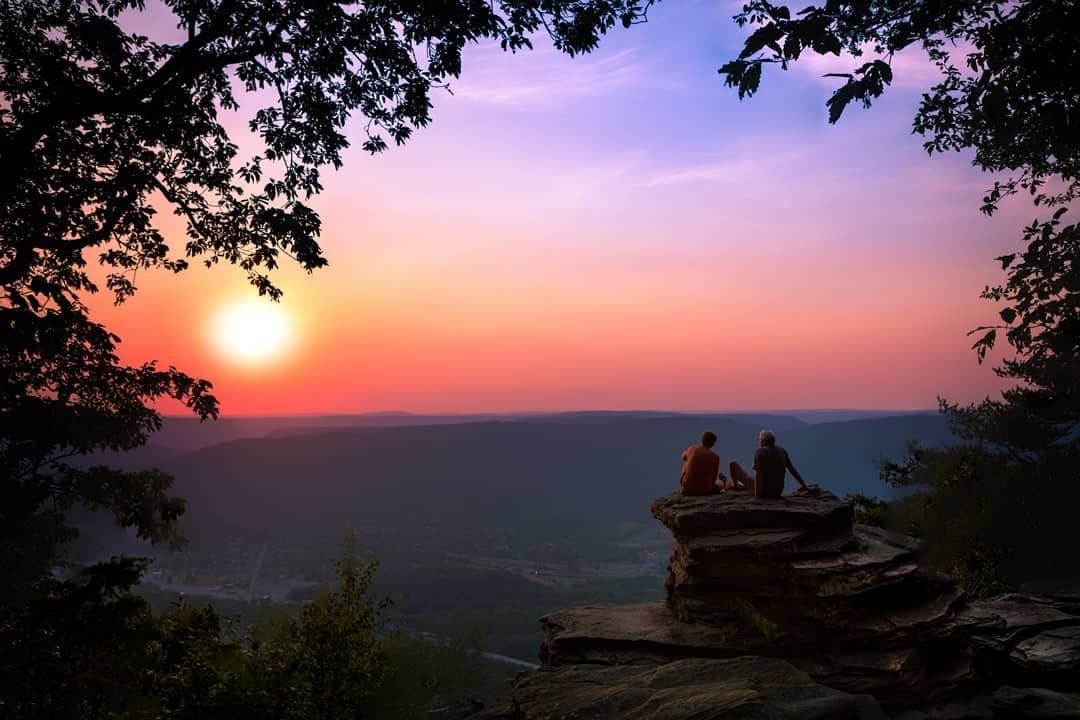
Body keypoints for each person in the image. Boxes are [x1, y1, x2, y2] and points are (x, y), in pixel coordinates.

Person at [728, 429, 811, 499]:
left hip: (764, 492)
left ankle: (735, 486)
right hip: (777, 491)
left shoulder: (759, 452)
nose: (759, 442)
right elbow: (793, 471)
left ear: (762, 441)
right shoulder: (782, 450)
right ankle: (738, 486)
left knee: (733, 464)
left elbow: (758, 476)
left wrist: (757, 498)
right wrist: (806, 488)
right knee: (746, 479)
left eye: (759, 440)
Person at [680, 430, 727, 495]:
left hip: (687, 489)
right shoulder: (715, 457)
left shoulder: (691, 449)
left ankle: (685, 481)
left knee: (686, 460)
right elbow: (714, 477)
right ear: (713, 444)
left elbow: (683, 457)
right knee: (721, 482)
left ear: (701, 440)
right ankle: (723, 480)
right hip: (705, 490)